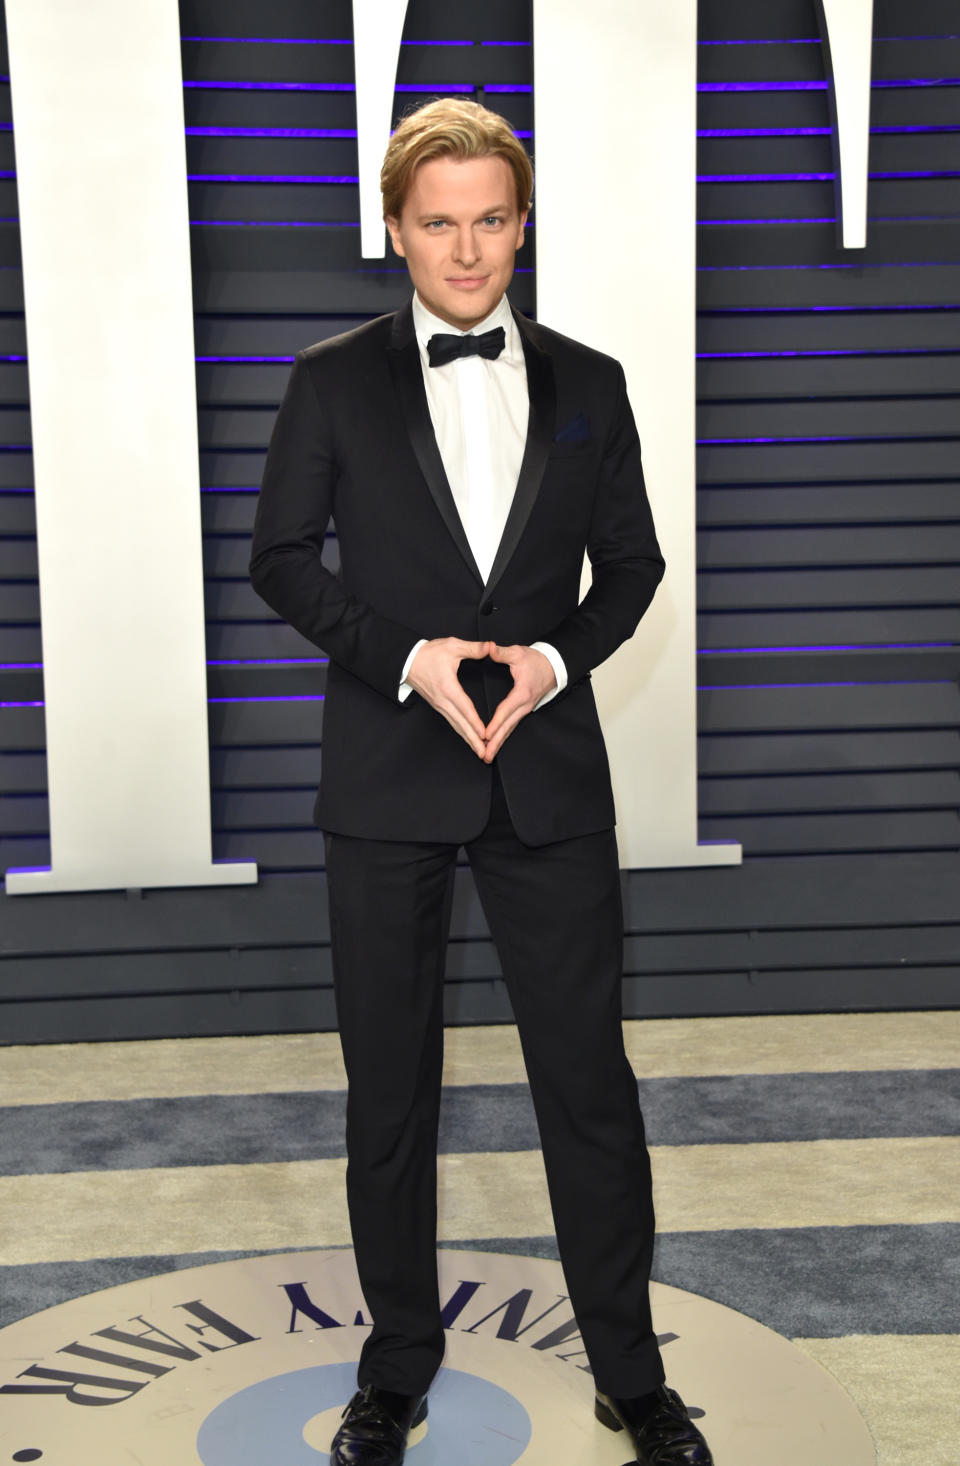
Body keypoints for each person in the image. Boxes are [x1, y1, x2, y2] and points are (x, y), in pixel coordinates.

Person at [249, 97, 713, 1466]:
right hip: (388, 772)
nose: (467, 251)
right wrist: (408, 656)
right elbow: (279, 558)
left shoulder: (593, 382)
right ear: (395, 230)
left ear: (524, 223)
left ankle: (630, 1374)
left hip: (548, 778)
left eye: (491, 220)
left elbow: (629, 571)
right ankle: (395, 1369)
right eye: (438, 223)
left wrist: (551, 664)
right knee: (388, 1091)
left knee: (589, 1085)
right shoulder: (332, 379)